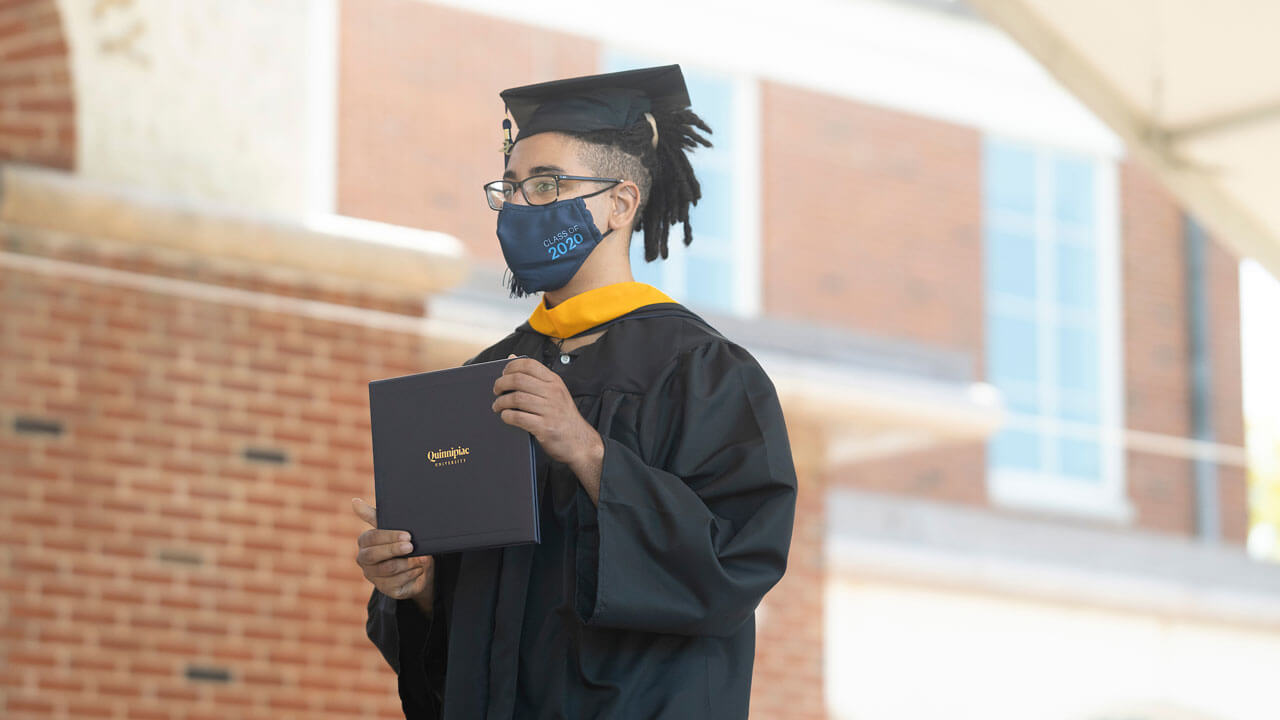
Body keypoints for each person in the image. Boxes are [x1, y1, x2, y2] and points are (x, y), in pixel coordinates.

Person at [352, 64, 798, 719]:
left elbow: (735, 566)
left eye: (548, 184)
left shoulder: (704, 374)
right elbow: (465, 633)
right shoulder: (485, 379)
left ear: (620, 204)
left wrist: (590, 453)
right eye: (510, 187)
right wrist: (417, 590)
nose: (519, 204)